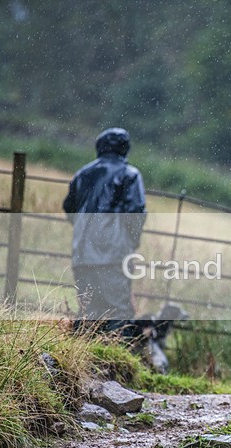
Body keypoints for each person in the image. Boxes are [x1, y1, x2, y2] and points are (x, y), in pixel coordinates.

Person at [63, 127, 147, 337]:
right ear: (125, 148)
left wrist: (87, 233)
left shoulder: (82, 174)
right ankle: (118, 361)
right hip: (113, 252)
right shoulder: (129, 175)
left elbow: (69, 208)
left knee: (89, 310)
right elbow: (135, 212)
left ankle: (82, 360)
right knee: (119, 311)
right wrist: (131, 242)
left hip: (81, 251)